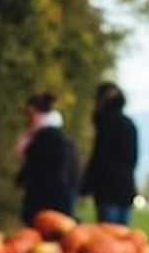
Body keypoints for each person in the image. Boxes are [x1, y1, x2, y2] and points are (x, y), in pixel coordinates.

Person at [15, 92, 79, 225]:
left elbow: (38, 166)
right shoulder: (56, 136)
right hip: (55, 196)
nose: (28, 119)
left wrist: (23, 178)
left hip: (48, 199)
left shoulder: (48, 137)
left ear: (38, 113)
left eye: (30, 114)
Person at [80, 81, 139, 225]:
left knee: (107, 232)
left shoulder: (105, 123)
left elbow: (100, 157)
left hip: (107, 189)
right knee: (122, 234)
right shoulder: (130, 124)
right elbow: (133, 159)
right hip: (126, 187)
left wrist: (86, 187)